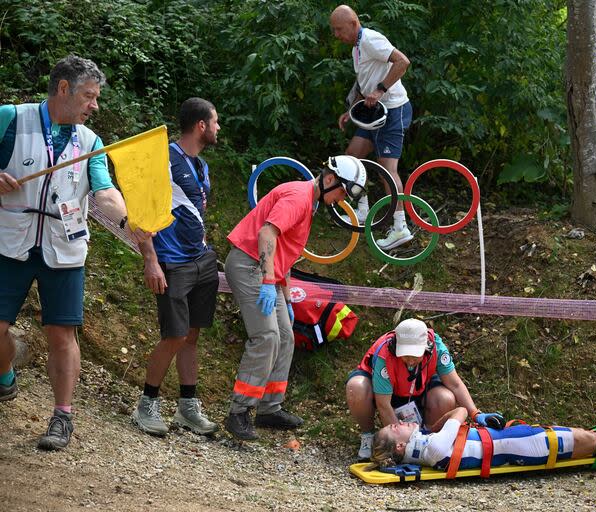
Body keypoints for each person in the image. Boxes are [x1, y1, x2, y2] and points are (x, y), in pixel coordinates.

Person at [0, 55, 151, 450]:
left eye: (96, 98)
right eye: (89, 96)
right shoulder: (11, 119)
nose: (94, 105)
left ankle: (62, 416)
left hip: (63, 247)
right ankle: (5, 374)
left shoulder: (90, 142)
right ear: (63, 89)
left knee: (61, 333)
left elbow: (104, 192)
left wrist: (128, 223)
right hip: (9, 242)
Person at [224, 155, 368, 440]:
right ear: (329, 180)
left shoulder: (310, 202)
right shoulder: (299, 197)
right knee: (266, 337)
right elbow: (267, 233)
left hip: (269, 273)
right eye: (343, 192)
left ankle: (269, 408)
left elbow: (286, 251)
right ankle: (239, 412)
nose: (342, 200)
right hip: (250, 265)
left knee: (286, 336)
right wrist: (267, 282)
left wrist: (287, 299)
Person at [131, 98, 220, 437]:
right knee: (174, 335)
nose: (217, 128)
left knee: (192, 336)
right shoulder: (164, 158)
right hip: (171, 261)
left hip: (201, 258)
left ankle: (187, 406)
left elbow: (194, 209)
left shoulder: (201, 166)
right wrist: (150, 260)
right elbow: (140, 211)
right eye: (215, 122)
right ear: (201, 125)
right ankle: (147, 403)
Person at [346, 318, 504, 460]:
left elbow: (455, 384)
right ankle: (368, 436)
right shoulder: (384, 355)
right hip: (384, 390)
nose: (410, 361)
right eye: (405, 355)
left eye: (415, 355)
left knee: (445, 398)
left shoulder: (437, 347)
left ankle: (428, 438)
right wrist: (401, 443)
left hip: (419, 387)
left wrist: (475, 413)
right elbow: (383, 405)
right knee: (356, 387)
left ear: (426, 347)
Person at [367, 402, 596, 471]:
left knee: (589, 439)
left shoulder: (432, 447)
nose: (399, 422)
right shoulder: (433, 446)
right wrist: (472, 416)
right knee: (594, 442)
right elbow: (460, 410)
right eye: (393, 427)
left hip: (521, 441)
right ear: (401, 445)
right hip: (529, 445)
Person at [330, 4, 414, 251]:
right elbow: (363, 81)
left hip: (394, 110)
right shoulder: (357, 47)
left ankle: (400, 227)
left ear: (354, 24)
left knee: (387, 170)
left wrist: (380, 90)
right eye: (333, 30)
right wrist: (351, 109)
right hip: (372, 113)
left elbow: (402, 62)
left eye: (338, 29)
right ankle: (363, 211)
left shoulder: (370, 40)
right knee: (351, 159)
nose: (336, 35)